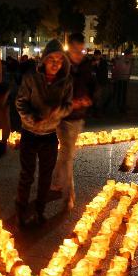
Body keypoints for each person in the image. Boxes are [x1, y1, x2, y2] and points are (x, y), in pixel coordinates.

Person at [15, 39, 73, 226]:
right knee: (27, 175)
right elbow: (20, 102)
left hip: (49, 136)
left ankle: (39, 210)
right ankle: (21, 211)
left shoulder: (65, 82)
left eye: (60, 60)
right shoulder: (31, 78)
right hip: (30, 134)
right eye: (52, 59)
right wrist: (34, 119)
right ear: (44, 60)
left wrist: (58, 112)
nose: (56, 63)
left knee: (45, 177)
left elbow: (68, 105)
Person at [49, 33, 93, 210]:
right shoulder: (62, 67)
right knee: (68, 155)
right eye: (75, 50)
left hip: (79, 117)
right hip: (63, 118)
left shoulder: (85, 66)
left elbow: (91, 86)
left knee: (66, 153)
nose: (79, 54)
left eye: (81, 50)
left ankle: (55, 181)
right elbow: (55, 90)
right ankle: (68, 196)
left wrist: (88, 99)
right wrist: (71, 103)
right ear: (69, 48)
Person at [111, 49, 133, 114]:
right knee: (119, 94)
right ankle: (118, 107)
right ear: (127, 55)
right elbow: (116, 69)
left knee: (123, 94)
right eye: (131, 54)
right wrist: (114, 78)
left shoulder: (129, 61)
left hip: (124, 79)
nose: (132, 56)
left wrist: (128, 76)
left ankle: (122, 107)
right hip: (119, 79)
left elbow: (129, 70)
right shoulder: (120, 60)